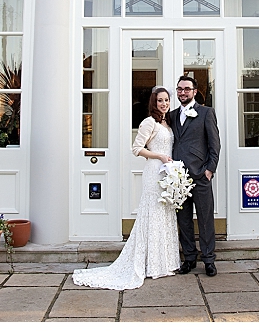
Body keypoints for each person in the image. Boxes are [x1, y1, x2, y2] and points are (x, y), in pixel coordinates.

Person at [72, 87, 180, 290]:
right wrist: (159, 156)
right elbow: (136, 149)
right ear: (153, 103)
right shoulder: (150, 122)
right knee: (153, 213)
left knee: (165, 213)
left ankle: (164, 263)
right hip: (154, 171)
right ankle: (148, 264)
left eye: (166, 100)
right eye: (160, 101)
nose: (164, 104)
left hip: (168, 171)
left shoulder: (168, 122)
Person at [168, 75, 221, 277]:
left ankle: (209, 260)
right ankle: (189, 258)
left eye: (187, 89)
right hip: (178, 178)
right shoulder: (172, 116)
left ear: (195, 91)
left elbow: (214, 145)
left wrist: (210, 170)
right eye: (180, 89)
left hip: (200, 176)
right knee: (184, 221)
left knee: (206, 219)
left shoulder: (206, 113)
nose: (183, 92)